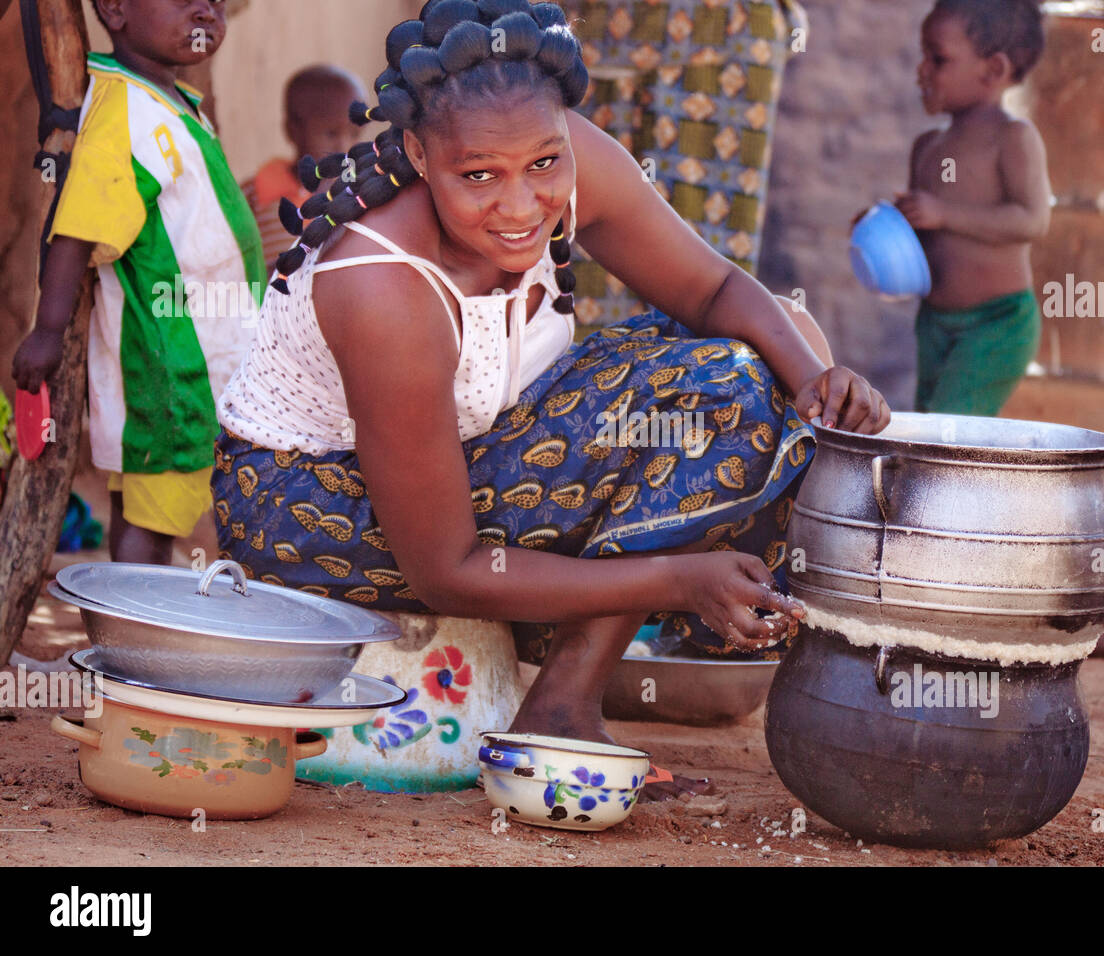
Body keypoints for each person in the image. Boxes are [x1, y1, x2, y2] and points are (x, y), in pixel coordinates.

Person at [213, 0, 888, 797]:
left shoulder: (563, 158)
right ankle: (563, 708)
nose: (520, 204)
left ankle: (561, 698)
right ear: (418, 155)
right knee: (727, 394)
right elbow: (448, 569)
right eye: (478, 176)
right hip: (309, 502)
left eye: (543, 164)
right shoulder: (383, 289)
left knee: (783, 343)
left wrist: (814, 380)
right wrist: (676, 578)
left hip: (472, 453)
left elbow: (711, 286)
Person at [10, 0, 262, 564]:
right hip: (170, 368)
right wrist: (48, 331)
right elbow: (78, 228)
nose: (207, 10)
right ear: (116, 10)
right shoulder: (123, 109)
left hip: (205, 353)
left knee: (152, 507)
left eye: (217, 2)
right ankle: (132, 641)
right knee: (151, 517)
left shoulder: (170, 101)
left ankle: (140, 636)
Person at [893, 0, 1052, 416]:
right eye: (923, 55)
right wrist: (889, 230)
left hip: (996, 323)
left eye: (938, 58)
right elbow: (924, 242)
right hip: (934, 320)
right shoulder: (927, 148)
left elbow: (1032, 220)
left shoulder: (1013, 138)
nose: (921, 70)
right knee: (929, 422)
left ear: (993, 70)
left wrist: (945, 214)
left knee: (950, 425)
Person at [242, 65, 368, 274]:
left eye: (354, 134)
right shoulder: (257, 193)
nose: (343, 148)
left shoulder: (359, 197)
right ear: (293, 131)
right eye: (330, 134)